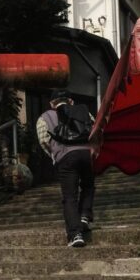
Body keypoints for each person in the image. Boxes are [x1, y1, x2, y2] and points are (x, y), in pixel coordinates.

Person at [36, 92, 97, 248]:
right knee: (88, 186)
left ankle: (75, 235)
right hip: (85, 154)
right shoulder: (83, 111)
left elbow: (44, 141)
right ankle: (84, 216)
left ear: (52, 103)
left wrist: (54, 155)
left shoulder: (44, 117)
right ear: (71, 101)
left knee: (69, 196)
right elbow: (94, 129)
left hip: (65, 157)